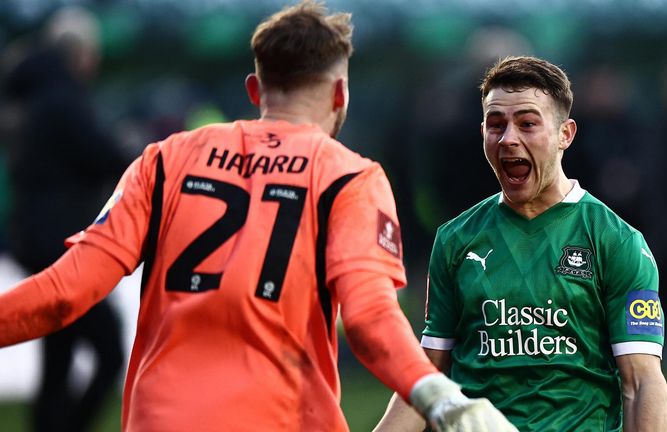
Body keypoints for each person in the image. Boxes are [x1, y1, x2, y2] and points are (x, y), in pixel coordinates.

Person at [0, 2, 515, 431]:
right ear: (340, 95)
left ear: (254, 91)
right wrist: (439, 396)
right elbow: (369, 317)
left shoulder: (163, 160)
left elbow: (66, 291)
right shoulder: (349, 177)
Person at [374, 56, 667, 432]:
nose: (509, 138)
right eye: (496, 125)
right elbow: (428, 376)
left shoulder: (616, 240)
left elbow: (642, 383)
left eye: (528, 124)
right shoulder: (455, 239)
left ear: (566, 134)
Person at [2, 7, 126, 432]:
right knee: (109, 346)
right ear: (79, 53)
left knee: (60, 350)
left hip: (30, 234)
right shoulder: (62, 99)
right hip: (59, 241)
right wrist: (144, 158)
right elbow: (101, 155)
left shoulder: (28, 96)